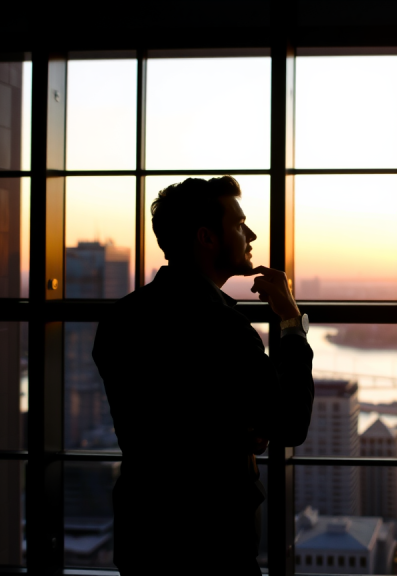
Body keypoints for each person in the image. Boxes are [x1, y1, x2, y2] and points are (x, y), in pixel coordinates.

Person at [92, 176, 314, 575]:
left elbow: (165, 415)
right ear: (206, 237)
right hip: (216, 544)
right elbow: (291, 422)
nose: (251, 233)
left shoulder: (119, 320)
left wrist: (230, 426)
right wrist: (292, 323)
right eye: (239, 224)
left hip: (144, 537)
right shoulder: (224, 327)